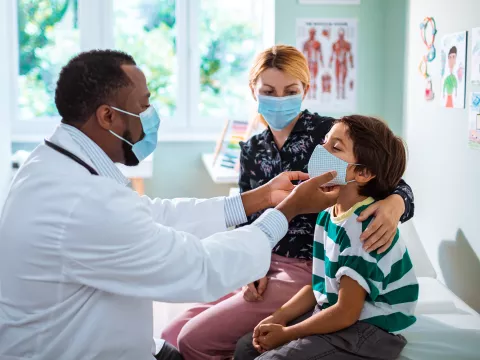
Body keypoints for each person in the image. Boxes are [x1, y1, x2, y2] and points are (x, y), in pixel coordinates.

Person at [0, 50, 341, 360]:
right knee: (179, 337)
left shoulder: (55, 167)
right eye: (144, 105)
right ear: (107, 116)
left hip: (302, 266)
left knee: (186, 340)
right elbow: (200, 269)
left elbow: (155, 214)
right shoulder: (81, 201)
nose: (151, 116)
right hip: (73, 350)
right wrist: (286, 210)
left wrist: (261, 198)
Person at [161, 45, 414, 359]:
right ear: (253, 91)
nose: (279, 100)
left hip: (309, 267)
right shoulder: (252, 148)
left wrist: (395, 205)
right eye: (268, 91)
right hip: (263, 261)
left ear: (305, 90)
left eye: (290, 91)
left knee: (193, 339)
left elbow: (390, 179)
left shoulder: (330, 134)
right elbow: (247, 216)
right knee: (170, 335)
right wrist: (252, 263)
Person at [234, 115, 418, 360]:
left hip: (371, 329)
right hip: (340, 311)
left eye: (335, 147)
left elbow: (346, 312)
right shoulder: (327, 216)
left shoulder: (363, 227)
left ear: (362, 173)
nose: (320, 150)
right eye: (324, 142)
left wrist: (288, 333)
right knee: (246, 347)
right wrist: (279, 317)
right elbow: (319, 286)